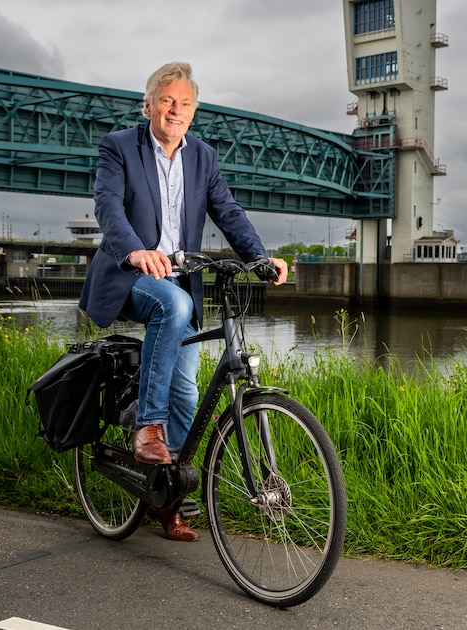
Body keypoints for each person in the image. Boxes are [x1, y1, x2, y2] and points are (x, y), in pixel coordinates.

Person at [78, 62, 288, 541]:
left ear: (194, 111)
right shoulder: (119, 147)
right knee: (171, 308)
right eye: (167, 101)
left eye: (185, 103)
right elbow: (108, 206)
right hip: (130, 275)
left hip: (183, 283)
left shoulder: (203, 158)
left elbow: (228, 212)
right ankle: (146, 430)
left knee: (187, 393)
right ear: (149, 104)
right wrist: (134, 249)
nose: (176, 110)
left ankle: (164, 498)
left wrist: (259, 258)